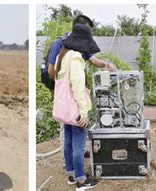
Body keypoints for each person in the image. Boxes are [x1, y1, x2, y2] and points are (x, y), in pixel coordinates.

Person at [55, 23, 100, 190]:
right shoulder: (75, 58)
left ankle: (72, 175)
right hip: (75, 109)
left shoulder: (63, 54)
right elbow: (78, 88)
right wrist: (84, 113)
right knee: (79, 147)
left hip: (65, 109)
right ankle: (81, 181)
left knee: (68, 143)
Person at [46, 15, 115, 81]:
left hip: (76, 86)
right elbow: (51, 71)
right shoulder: (58, 44)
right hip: (63, 88)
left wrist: (106, 64)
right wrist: (63, 85)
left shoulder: (82, 45)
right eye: (86, 32)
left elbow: (94, 61)